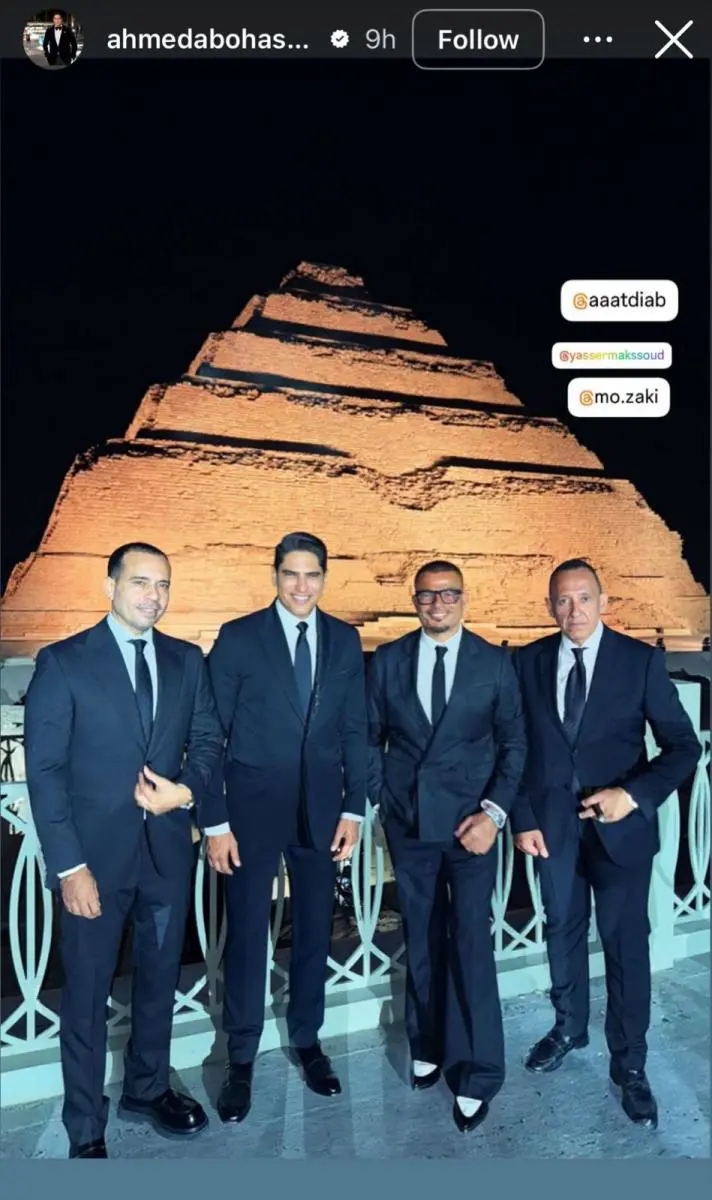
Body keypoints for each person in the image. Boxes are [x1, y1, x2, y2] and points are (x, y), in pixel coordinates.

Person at [24, 543, 224, 1158]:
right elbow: (45, 772)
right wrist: (70, 867)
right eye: (140, 582)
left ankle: (148, 1087)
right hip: (92, 864)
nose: (153, 597)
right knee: (86, 993)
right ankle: (85, 1123)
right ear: (110, 585)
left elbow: (208, 741)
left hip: (165, 857)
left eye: (162, 585)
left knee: (160, 980)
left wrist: (185, 792)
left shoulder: (187, 660)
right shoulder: (64, 662)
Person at [510, 558, 701, 1128]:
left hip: (621, 833)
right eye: (563, 600)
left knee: (625, 948)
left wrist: (632, 795)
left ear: (604, 601)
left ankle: (630, 1064)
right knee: (561, 933)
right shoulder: (526, 662)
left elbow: (683, 747)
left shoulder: (639, 662)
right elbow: (512, 745)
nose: (574, 611)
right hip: (552, 830)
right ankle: (569, 1027)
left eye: (584, 598)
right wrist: (522, 817)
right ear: (550, 606)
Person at [203, 532, 368, 1124]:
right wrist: (214, 819)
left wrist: (354, 808)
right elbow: (209, 732)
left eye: (312, 575)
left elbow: (355, 729)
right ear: (274, 575)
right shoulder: (239, 637)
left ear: (325, 577)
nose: (302, 586)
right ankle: (240, 1058)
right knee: (248, 934)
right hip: (249, 813)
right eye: (291, 574)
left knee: (317, 931)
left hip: (322, 813)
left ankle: (308, 1041)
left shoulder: (345, 640)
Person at [367, 560, 527, 1132]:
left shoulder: (494, 662)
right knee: (422, 936)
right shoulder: (387, 661)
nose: (438, 604)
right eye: (428, 595)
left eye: (449, 594)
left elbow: (514, 744)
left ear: (464, 599)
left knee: (471, 944)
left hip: (471, 826)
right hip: (410, 824)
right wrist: (384, 800)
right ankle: (428, 1043)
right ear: (414, 600)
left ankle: (478, 1072)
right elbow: (369, 737)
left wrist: (494, 814)